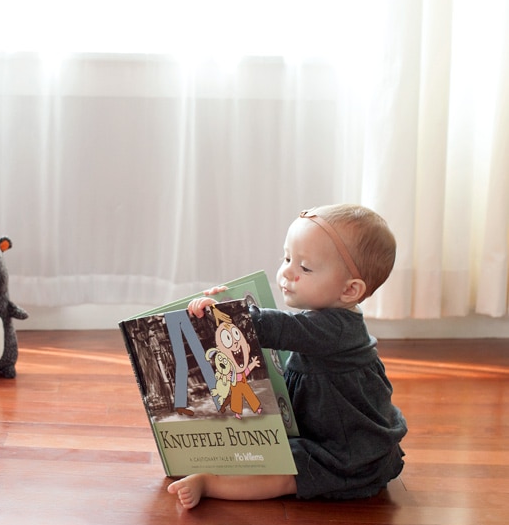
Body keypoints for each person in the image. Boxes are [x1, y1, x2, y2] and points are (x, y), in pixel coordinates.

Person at [168, 204, 408, 509]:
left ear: (350, 290)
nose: (287, 272)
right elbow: (283, 331)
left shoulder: (335, 329)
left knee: (287, 472)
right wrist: (226, 304)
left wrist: (230, 314)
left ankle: (212, 483)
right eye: (287, 258)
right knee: (261, 445)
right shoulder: (326, 319)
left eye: (305, 268)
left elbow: (277, 327)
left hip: (344, 448)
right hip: (319, 424)